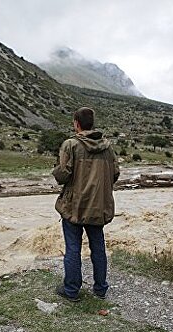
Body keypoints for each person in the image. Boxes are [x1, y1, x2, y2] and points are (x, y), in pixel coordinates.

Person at [52, 107, 119, 302]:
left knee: (73, 248)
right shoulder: (108, 148)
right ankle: (100, 289)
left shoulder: (70, 145)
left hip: (74, 206)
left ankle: (71, 291)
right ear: (92, 123)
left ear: (76, 123)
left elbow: (63, 176)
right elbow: (115, 174)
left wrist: (56, 170)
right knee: (98, 246)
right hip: (99, 207)